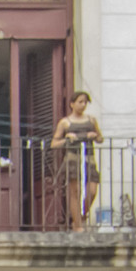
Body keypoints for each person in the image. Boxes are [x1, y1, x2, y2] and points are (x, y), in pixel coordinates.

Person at [51, 91, 102, 228]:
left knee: (92, 190)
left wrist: (95, 135)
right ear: (72, 104)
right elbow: (54, 144)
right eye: (80, 102)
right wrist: (67, 139)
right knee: (75, 191)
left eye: (85, 102)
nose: (83, 105)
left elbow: (100, 139)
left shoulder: (91, 120)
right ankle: (77, 225)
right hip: (73, 159)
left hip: (88, 159)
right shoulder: (65, 123)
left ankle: (82, 214)